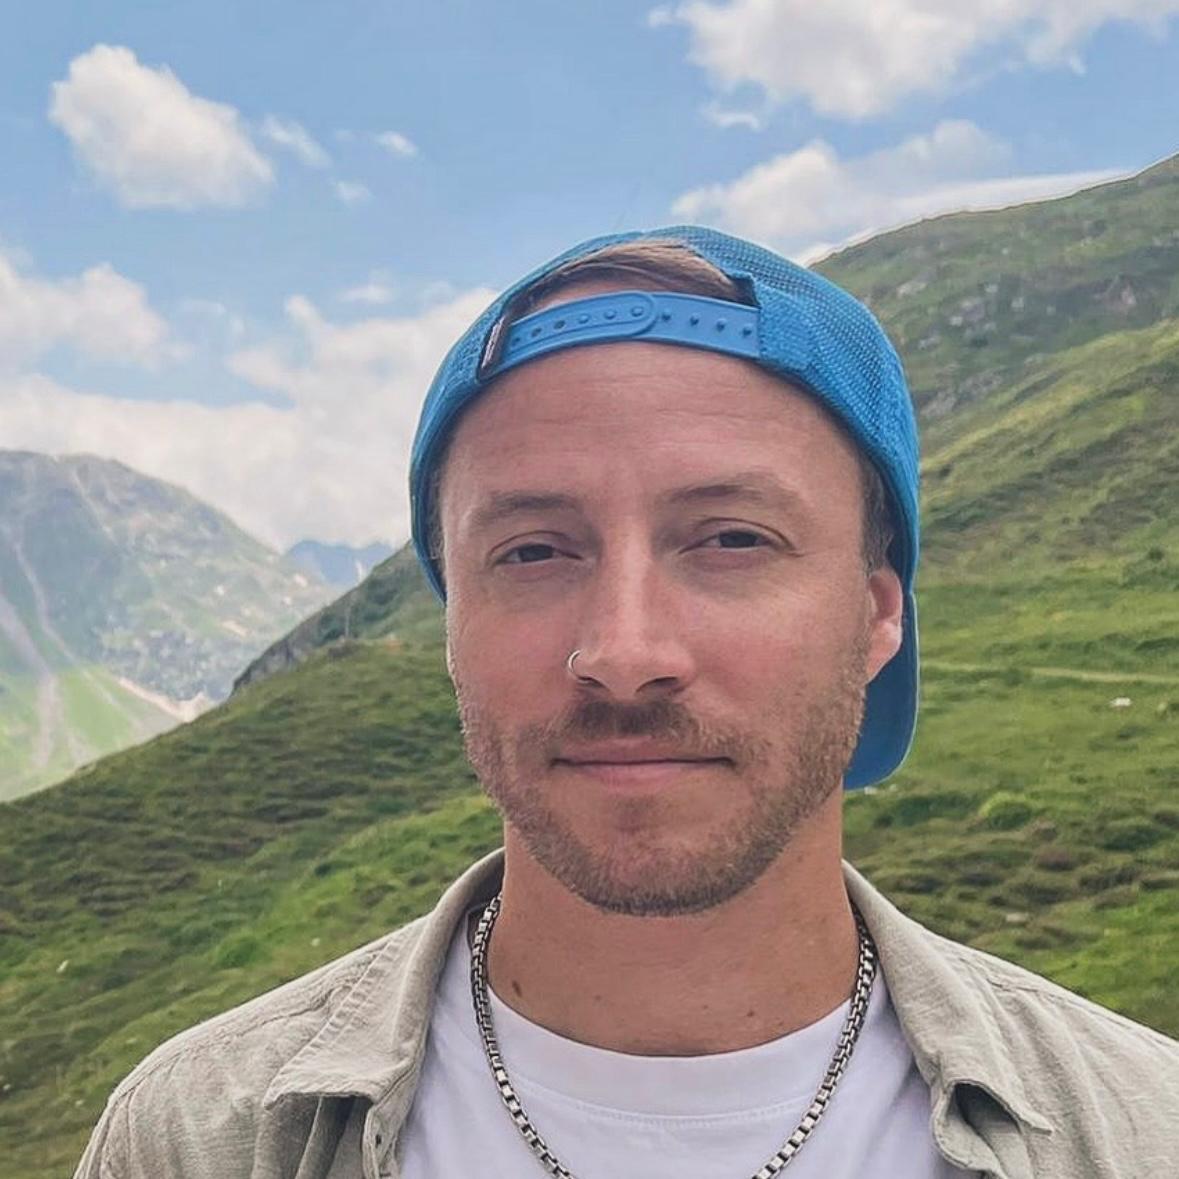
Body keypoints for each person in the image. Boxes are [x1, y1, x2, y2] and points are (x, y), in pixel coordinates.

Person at [75, 227, 1179, 1179]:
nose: (623, 653)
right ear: (453, 624)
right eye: (533, 550)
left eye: (732, 539)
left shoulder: (1143, 1133)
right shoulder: (194, 1136)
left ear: (876, 612)